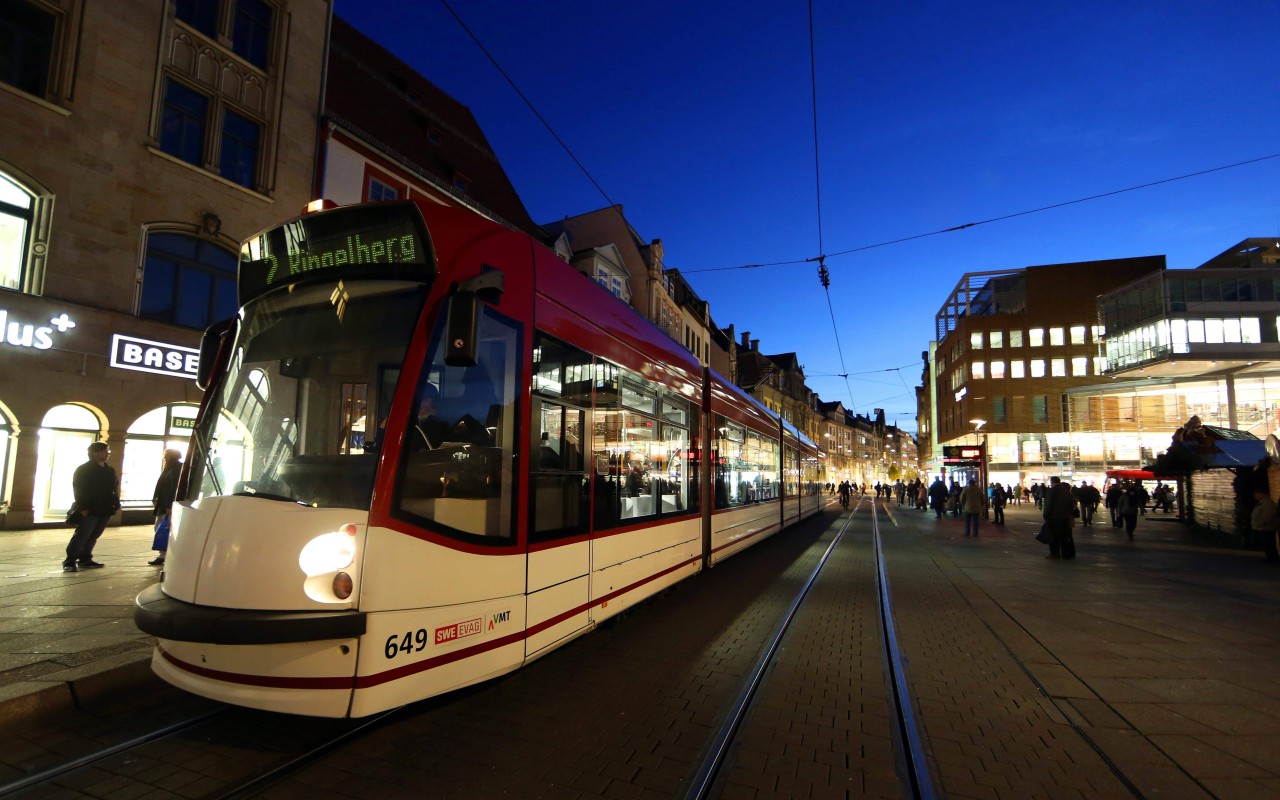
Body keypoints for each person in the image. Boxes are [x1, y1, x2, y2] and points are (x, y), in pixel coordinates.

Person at [64, 442, 120, 572]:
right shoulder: (84, 470)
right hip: (89, 508)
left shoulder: (109, 470)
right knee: (82, 535)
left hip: (105, 508)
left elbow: (114, 487)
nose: (107, 453)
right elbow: (79, 489)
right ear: (96, 453)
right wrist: (83, 507)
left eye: (108, 451)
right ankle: (70, 561)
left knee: (94, 535)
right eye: (105, 451)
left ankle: (85, 558)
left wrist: (115, 503)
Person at [149, 449, 182, 566]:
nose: (164, 457)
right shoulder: (171, 468)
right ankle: (163, 553)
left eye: (166, 455)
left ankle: (164, 554)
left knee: (163, 528)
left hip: (166, 505)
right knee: (161, 527)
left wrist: (169, 505)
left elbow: (172, 488)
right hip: (163, 504)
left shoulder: (174, 469)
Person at [1042, 476, 1077, 560]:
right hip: (1065, 517)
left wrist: (1046, 516)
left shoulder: (1051, 491)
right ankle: (1066, 554)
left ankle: (1055, 554)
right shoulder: (1067, 491)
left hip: (1055, 517)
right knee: (1064, 537)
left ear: (1052, 482)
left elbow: (1048, 505)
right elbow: (1072, 505)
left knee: (1053, 536)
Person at [1251, 488, 1278, 564]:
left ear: (1262, 494)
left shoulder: (1267, 503)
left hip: (1267, 528)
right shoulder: (1262, 502)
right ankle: (1270, 558)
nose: (1255, 495)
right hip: (1263, 527)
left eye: (1257, 493)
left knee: (1269, 544)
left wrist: (1261, 523)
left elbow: (1268, 516)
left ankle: (1272, 559)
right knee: (1267, 544)